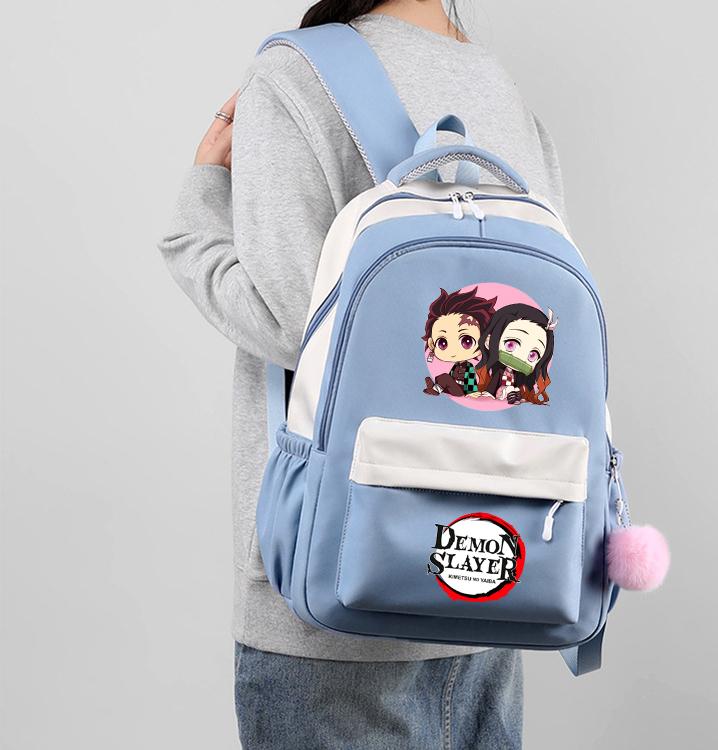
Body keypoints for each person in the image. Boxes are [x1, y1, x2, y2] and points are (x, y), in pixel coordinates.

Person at [158, 1, 568, 747]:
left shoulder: (298, 74)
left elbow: (296, 324)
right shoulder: (497, 85)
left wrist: (196, 219)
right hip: (493, 578)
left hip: (335, 601)